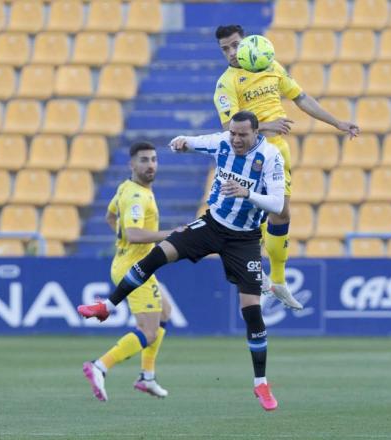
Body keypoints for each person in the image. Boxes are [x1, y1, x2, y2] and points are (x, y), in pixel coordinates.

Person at [78, 111, 285, 411]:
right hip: (213, 225)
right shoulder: (223, 142)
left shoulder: (270, 156)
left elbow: (278, 204)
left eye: (243, 135)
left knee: (251, 312)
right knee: (159, 254)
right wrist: (182, 142)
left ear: (256, 133)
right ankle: (106, 307)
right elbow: (200, 142)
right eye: (233, 134)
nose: (237, 140)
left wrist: (248, 192)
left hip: (246, 239)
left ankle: (261, 384)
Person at [214, 24, 361, 309]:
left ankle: (278, 280)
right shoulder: (226, 83)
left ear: (248, 42)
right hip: (248, 153)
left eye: (235, 45)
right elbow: (227, 127)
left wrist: (338, 123)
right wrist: (266, 125)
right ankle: (250, 273)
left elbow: (301, 98)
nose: (232, 53)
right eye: (225, 49)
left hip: (277, 150)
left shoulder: (273, 67)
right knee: (247, 219)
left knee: (281, 213)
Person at [82, 141, 178, 402]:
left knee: (165, 313)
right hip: (136, 268)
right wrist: (170, 235)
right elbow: (135, 234)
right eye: (144, 160)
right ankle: (99, 366)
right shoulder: (136, 194)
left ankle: (147, 377)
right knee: (148, 332)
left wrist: (121, 240)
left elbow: (110, 216)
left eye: (154, 160)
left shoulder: (126, 188)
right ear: (132, 164)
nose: (150, 165)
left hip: (132, 262)